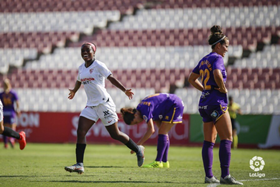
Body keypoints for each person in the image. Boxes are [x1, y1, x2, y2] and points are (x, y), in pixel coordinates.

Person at [64, 42, 144, 174]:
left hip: (104, 104)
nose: (85, 52)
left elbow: (111, 78)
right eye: (82, 50)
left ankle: (138, 149)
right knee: (80, 131)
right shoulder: (81, 68)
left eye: (88, 50)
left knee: (115, 134)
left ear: (94, 52)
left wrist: (124, 90)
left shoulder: (99, 65)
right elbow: (79, 80)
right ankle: (79, 164)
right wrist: (74, 90)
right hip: (91, 105)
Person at [188, 25, 243, 185]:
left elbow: (191, 79)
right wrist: (223, 88)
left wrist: (204, 89)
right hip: (216, 101)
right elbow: (217, 74)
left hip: (204, 102)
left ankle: (209, 176)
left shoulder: (204, 59)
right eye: (226, 45)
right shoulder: (217, 58)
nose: (227, 49)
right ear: (218, 45)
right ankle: (225, 176)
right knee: (227, 138)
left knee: (209, 141)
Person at [121, 93, 184, 168]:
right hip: (170, 104)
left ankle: (158, 162)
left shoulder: (144, 109)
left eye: (136, 122)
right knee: (163, 132)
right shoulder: (141, 108)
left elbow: (151, 130)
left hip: (174, 104)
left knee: (162, 132)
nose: (139, 123)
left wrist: (137, 146)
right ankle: (164, 162)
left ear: (135, 115)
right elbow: (156, 119)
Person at [0, 78, 21, 148]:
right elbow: (17, 102)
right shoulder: (13, 93)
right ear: (9, 84)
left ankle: (5, 143)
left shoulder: (1, 94)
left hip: (3, 112)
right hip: (11, 112)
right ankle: (12, 140)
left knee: (3, 128)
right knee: (12, 126)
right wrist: (18, 110)